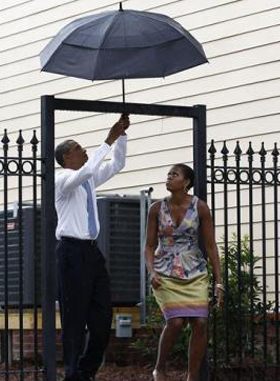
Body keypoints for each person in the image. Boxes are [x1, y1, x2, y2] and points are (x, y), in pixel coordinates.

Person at [54, 113, 130, 381]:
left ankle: (85, 372)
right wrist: (107, 139)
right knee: (74, 317)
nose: (84, 151)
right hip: (71, 252)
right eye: (78, 149)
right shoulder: (62, 180)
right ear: (66, 158)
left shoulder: (86, 181)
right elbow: (87, 170)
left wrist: (120, 136)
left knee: (102, 317)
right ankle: (72, 373)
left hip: (92, 253)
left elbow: (117, 164)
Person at [144, 163, 224, 381]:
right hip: (165, 273)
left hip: (195, 271)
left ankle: (192, 375)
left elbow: (210, 246)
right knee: (176, 322)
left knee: (200, 322)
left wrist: (219, 282)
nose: (169, 178)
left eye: (174, 175)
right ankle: (160, 368)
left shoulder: (200, 208)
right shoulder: (156, 209)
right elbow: (149, 246)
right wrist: (151, 272)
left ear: (186, 182)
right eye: (168, 174)